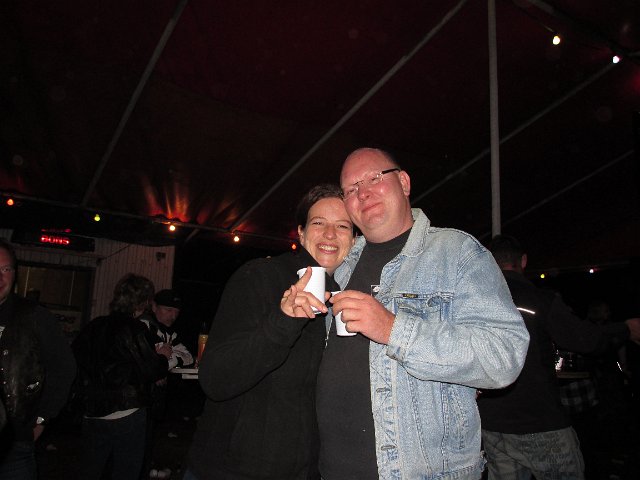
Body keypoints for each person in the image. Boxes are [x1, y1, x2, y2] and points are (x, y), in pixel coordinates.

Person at [316, 148, 530, 480]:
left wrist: (393, 330)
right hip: (333, 470)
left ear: (403, 182)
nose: (363, 192)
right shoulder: (341, 266)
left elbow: (504, 356)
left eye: (374, 178)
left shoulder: (456, 252)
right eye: (351, 188)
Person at [184, 184, 355, 480]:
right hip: (230, 470)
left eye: (342, 226)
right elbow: (215, 379)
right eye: (319, 223)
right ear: (301, 233)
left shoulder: (344, 298)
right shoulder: (260, 277)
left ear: (353, 239)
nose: (330, 234)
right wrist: (283, 321)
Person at [477, 234, 640, 480]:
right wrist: (626, 329)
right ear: (523, 261)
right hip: (539, 422)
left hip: (492, 424)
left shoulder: (476, 302)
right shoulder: (540, 300)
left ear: (490, 261)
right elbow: (586, 339)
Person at [71, 273, 171, 480]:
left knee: (90, 471)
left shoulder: (93, 326)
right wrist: (163, 356)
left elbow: (75, 363)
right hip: (125, 412)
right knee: (126, 472)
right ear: (144, 302)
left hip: (92, 411)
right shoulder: (134, 329)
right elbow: (152, 369)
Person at [0, 238, 77, 479]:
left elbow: (64, 368)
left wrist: (43, 417)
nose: (0, 277)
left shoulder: (33, 316)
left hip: (13, 444)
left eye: (6, 269)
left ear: (15, 274)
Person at [138, 289, 193, 479]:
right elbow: (145, 360)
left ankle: (145, 468)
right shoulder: (144, 326)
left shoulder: (171, 333)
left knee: (149, 435)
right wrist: (160, 365)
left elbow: (187, 357)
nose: (173, 315)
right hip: (137, 396)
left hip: (154, 396)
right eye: (168, 310)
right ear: (154, 307)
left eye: (176, 311)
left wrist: (164, 364)